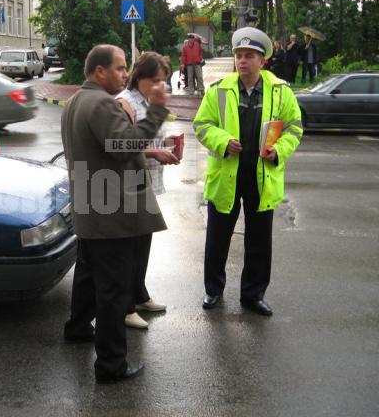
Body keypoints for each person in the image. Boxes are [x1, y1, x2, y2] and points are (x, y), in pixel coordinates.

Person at [61, 44, 170, 383]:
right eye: (121, 68)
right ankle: (111, 365)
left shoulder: (77, 100)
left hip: (91, 205)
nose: (126, 74)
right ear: (99, 72)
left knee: (89, 275)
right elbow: (125, 147)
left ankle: (77, 328)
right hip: (110, 214)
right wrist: (156, 111)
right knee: (114, 292)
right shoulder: (102, 103)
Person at [192, 27, 303, 316]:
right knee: (217, 238)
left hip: (262, 175)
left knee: (259, 240)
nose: (242, 61)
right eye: (239, 55)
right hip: (227, 175)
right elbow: (202, 125)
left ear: (262, 60)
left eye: (249, 56)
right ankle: (213, 290)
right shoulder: (219, 90)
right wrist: (223, 141)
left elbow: (294, 127)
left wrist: (279, 150)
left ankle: (253, 295)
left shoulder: (281, 91)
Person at [115, 52, 180, 330]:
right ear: (139, 77)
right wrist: (156, 151)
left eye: (163, 81)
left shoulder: (148, 102)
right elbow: (120, 145)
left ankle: (139, 295)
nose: (159, 86)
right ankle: (125, 307)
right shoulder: (125, 103)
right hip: (129, 183)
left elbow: (146, 137)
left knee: (143, 241)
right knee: (128, 247)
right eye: (154, 80)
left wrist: (168, 142)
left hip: (148, 180)